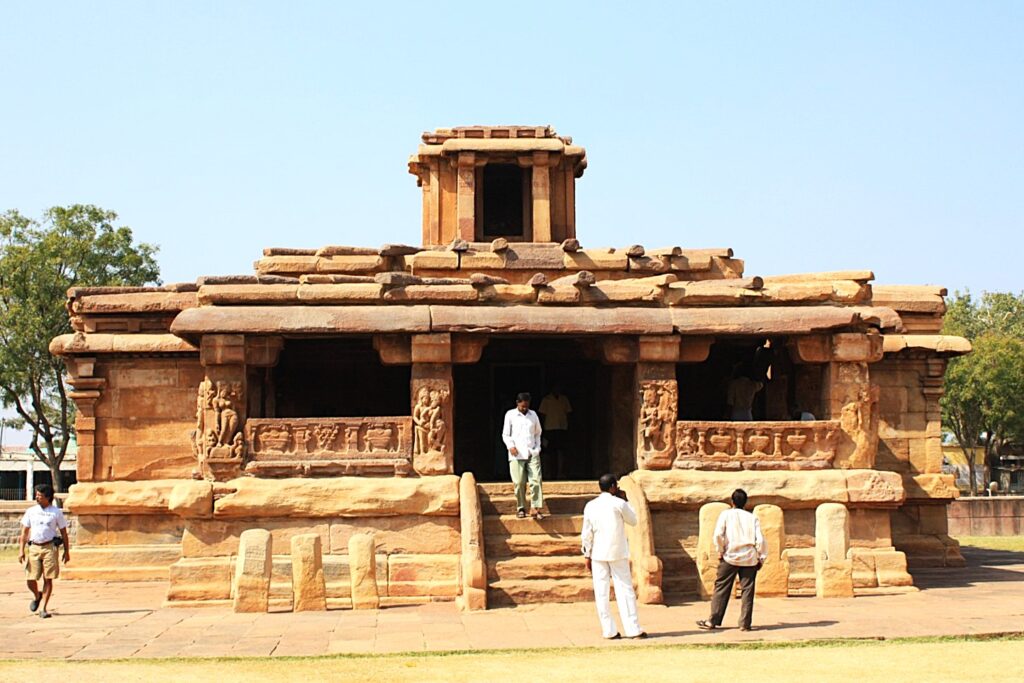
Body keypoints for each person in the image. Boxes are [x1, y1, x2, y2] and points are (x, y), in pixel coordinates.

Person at [581, 474, 647, 640]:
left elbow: (586, 532)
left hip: (598, 553)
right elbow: (633, 520)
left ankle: (608, 630)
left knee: (601, 592)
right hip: (617, 552)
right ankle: (633, 629)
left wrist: (586, 554)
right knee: (624, 589)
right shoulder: (619, 503)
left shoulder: (590, 505)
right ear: (612, 487)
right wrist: (626, 500)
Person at [696, 488, 767, 632]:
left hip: (730, 555)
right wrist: (761, 557)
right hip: (749, 557)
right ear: (745, 503)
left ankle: (713, 620)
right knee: (748, 590)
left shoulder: (726, 514)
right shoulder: (752, 517)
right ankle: (745, 624)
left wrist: (720, 550)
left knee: (721, 588)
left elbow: (718, 535)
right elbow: (760, 539)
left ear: (732, 501)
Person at [18, 483, 71, 619]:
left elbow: (64, 533)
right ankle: (37, 595)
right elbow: (24, 532)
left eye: (40, 496)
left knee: (48, 578)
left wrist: (66, 550)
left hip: (50, 547)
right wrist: (21, 550)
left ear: (48, 497)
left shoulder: (56, 512)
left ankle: (44, 608)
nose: (37, 498)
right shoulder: (31, 511)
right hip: (34, 547)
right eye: (36, 495)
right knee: (30, 578)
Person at [501, 392, 544, 519]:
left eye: (526, 406)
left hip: (532, 452)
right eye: (522, 406)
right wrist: (510, 446)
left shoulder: (533, 415)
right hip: (516, 454)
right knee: (519, 482)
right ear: (517, 403)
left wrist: (537, 448)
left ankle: (535, 507)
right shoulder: (510, 415)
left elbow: (538, 433)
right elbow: (505, 434)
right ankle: (521, 507)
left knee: (536, 480)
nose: (524, 408)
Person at [538, 384, 572, 480]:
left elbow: (568, 413)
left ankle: (561, 473)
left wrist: (567, 426)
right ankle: (547, 474)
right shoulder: (546, 400)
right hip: (549, 429)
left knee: (561, 452)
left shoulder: (564, 399)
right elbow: (542, 415)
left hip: (562, 428)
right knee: (548, 453)